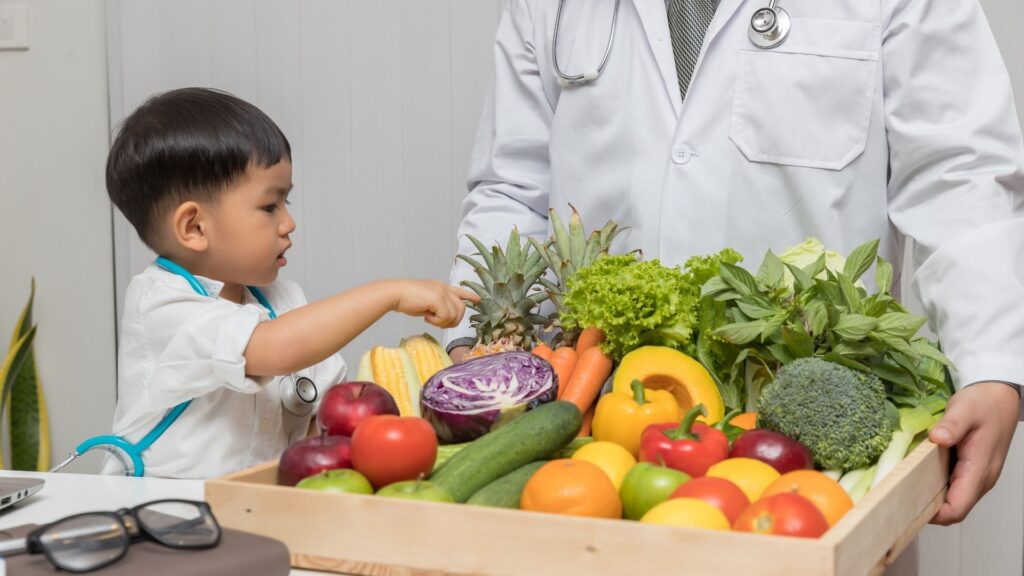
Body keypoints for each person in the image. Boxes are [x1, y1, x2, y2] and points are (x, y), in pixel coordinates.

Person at [446, 0, 1022, 542]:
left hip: (806, 446)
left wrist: (992, 364)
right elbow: (513, 188)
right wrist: (480, 357)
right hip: (596, 428)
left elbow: (959, 177)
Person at [104, 87, 474, 479]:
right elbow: (274, 348)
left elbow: (324, 419)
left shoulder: (283, 301)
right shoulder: (160, 305)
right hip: (163, 513)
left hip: (259, 507)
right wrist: (390, 293)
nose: (288, 223)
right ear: (194, 227)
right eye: (269, 207)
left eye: (286, 203)